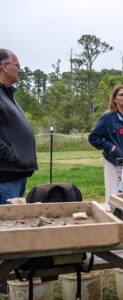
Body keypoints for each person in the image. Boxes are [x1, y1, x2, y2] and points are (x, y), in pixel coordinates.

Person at [0, 49, 38, 294]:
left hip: (18, 172)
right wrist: (12, 156)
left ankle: (8, 270)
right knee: (5, 225)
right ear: (4, 66)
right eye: (17, 64)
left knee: (14, 223)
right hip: (6, 174)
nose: (20, 69)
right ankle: (2, 275)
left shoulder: (8, 95)